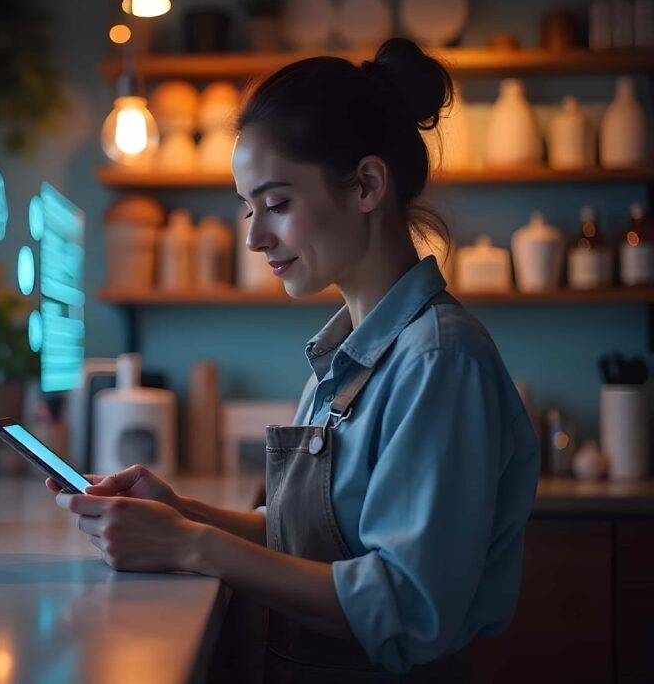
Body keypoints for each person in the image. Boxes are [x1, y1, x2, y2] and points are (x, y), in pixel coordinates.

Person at [50, 38, 539, 682]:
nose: (253, 236)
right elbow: (314, 538)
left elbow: (406, 605)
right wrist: (182, 513)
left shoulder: (439, 361)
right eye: (249, 207)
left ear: (366, 185)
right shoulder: (346, 355)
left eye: (276, 204)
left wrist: (192, 546)